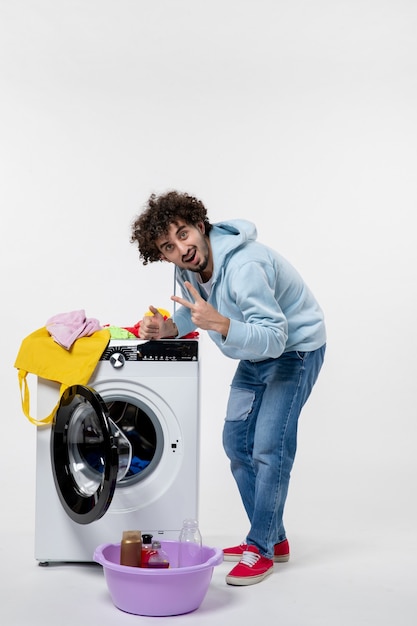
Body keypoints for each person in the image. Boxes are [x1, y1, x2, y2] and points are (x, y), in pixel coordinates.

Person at [130, 190, 326, 586]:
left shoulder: (245, 266)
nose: (182, 249)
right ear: (162, 254)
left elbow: (274, 336)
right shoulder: (187, 268)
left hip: (294, 351)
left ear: (200, 226)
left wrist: (218, 322)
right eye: (169, 246)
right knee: (236, 444)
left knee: (269, 448)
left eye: (184, 234)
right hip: (252, 355)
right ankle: (274, 536)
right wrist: (170, 328)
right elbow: (191, 311)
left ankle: (261, 547)